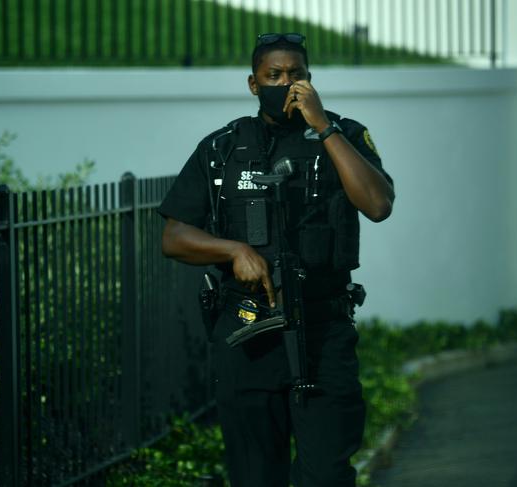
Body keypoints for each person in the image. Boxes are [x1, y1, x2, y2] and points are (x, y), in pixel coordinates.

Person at [158, 33, 394, 487]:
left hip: (323, 332)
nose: (287, 83)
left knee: (326, 473)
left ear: (310, 80)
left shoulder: (344, 134)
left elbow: (378, 204)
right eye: (275, 75)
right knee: (255, 475)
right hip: (249, 333)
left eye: (297, 74)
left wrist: (323, 126)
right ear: (253, 83)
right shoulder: (222, 148)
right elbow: (174, 235)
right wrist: (235, 250)